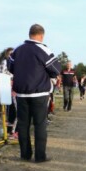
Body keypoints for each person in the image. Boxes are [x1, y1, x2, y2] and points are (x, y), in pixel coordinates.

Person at [8, 24, 61, 162]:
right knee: (40, 125)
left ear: (29, 34)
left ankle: (25, 155)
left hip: (21, 94)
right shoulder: (43, 49)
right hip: (39, 93)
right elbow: (55, 69)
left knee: (23, 125)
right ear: (41, 35)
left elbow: (10, 67)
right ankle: (40, 156)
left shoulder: (17, 50)